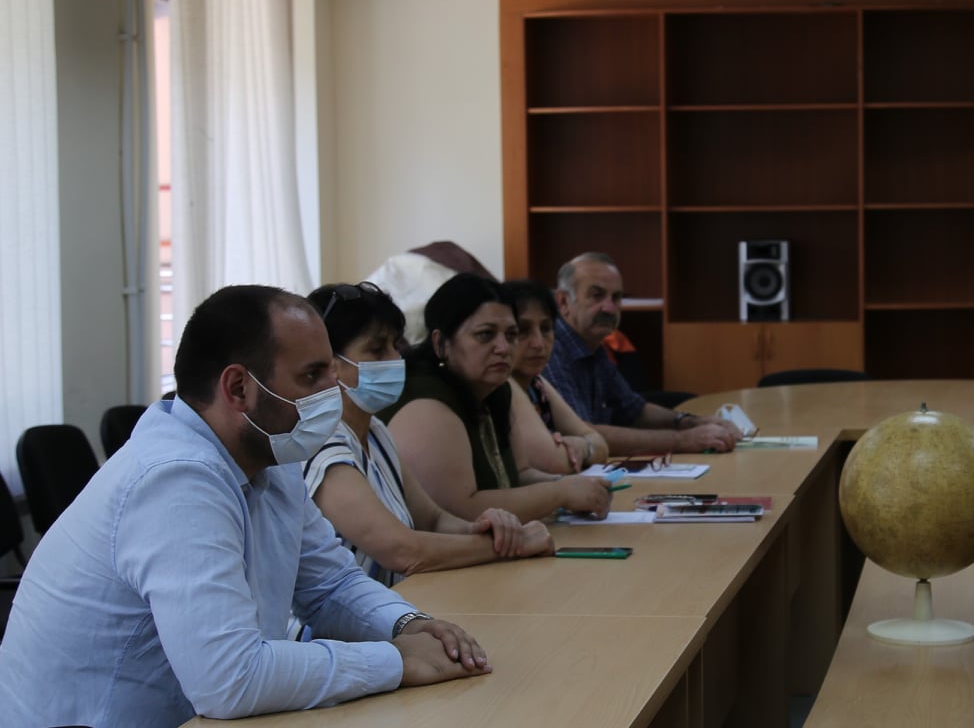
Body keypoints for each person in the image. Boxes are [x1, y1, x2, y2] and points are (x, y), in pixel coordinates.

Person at [0, 285, 489, 728]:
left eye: (331, 369)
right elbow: (229, 679)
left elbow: (329, 585)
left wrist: (409, 626)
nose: (334, 390)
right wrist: (396, 661)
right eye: (312, 375)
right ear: (238, 388)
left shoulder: (270, 456)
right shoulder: (175, 480)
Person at [301, 282, 555, 593]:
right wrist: (512, 545)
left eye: (396, 345)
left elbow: (433, 520)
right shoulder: (321, 445)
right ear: (332, 365)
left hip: (392, 607)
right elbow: (401, 551)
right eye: (377, 350)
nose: (395, 358)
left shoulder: (375, 431)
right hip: (341, 622)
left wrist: (488, 530)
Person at [382, 273, 614, 524]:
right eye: (486, 334)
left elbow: (518, 475)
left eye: (511, 335)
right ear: (441, 343)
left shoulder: (496, 389)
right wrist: (560, 494)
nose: (503, 348)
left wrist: (576, 487)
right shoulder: (427, 405)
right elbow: (460, 510)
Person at [543, 252, 742, 455]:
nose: (610, 308)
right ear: (563, 302)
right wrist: (683, 440)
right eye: (597, 295)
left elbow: (634, 410)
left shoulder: (593, 345)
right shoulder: (550, 350)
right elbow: (582, 434)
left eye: (617, 297)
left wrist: (689, 422)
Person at [502, 277, 610, 473]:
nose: (538, 344)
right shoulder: (504, 384)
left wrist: (580, 446)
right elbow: (553, 462)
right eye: (522, 331)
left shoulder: (537, 384)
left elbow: (600, 444)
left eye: (546, 329)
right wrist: (583, 447)